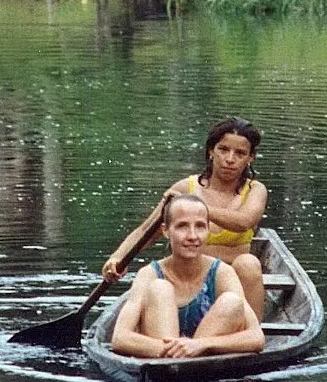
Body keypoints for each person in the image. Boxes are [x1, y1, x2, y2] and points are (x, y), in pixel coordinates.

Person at [103, 118, 269, 313]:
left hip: (235, 282)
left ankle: (250, 333)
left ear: (251, 158)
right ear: (211, 151)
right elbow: (146, 230)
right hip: (188, 275)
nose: (230, 159)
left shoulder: (255, 190)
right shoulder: (184, 188)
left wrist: (192, 206)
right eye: (223, 150)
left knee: (248, 264)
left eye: (240, 153)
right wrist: (117, 258)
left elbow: (244, 222)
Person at [109, 192, 265, 359]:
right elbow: (119, 338)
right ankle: (173, 365)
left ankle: (186, 363)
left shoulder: (222, 272)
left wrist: (200, 344)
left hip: (202, 358)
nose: (192, 236)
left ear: (208, 230)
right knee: (159, 288)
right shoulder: (150, 274)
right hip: (163, 361)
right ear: (166, 231)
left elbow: (256, 337)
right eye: (182, 226)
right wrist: (175, 349)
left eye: (200, 226)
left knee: (232, 301)